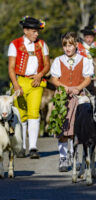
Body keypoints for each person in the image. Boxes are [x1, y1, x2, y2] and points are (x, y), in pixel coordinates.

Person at [50, 32, 94, 172]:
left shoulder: (84, 60)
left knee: (75, 127)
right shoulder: (58, 60)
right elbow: (54, 79)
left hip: (78, 96)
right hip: (62, 97)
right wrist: (65, 87)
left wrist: (78, 88)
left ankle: (74, 155)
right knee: (62, 127)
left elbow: (87, 78)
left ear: (76, 45)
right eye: (65, 45)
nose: (68, 48)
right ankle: (63, 157)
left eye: (70, 45)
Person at [8, 16, 50, 159]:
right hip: (20, 81)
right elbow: (11, 68)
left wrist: (40, 75)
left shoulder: (42, 44)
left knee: (34, 114)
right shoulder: (14, 44)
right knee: (21, 116)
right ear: (25, 31)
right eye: (34, 31)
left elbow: (47, 64)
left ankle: (33, 147)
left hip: (36, 82)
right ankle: (22, 147)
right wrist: (16, 85)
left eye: (37, 31)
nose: (37, 34)